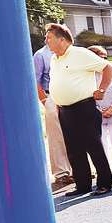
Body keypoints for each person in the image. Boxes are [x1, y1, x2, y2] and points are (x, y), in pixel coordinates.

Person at [45, 23, 112, 197]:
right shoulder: (54, 59)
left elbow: (108, 68)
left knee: (93, 145)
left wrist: (102, 89)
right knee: (73, 150)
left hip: (83, 107)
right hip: (64, 110)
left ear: (62, 39)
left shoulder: (80, 53)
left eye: (49, 37)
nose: (46, 40)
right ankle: (82, 185)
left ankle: (104, 183)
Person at [33, 43, 73, 189]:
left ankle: (75, 170)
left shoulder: (69, 53)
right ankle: (61, 174)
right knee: (56, 137)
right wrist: (45, 100)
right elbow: (35, 80)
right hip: (51, 97)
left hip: (70, 97)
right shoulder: (41, 55)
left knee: (72, 135)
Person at [88, 45, 112, 179]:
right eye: (100, 57)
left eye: (105, 57)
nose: (103, 60)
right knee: (102, 144)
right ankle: (104, 171)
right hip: (96, 113)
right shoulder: (87, 74)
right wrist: (99, 109)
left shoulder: (111, 71)